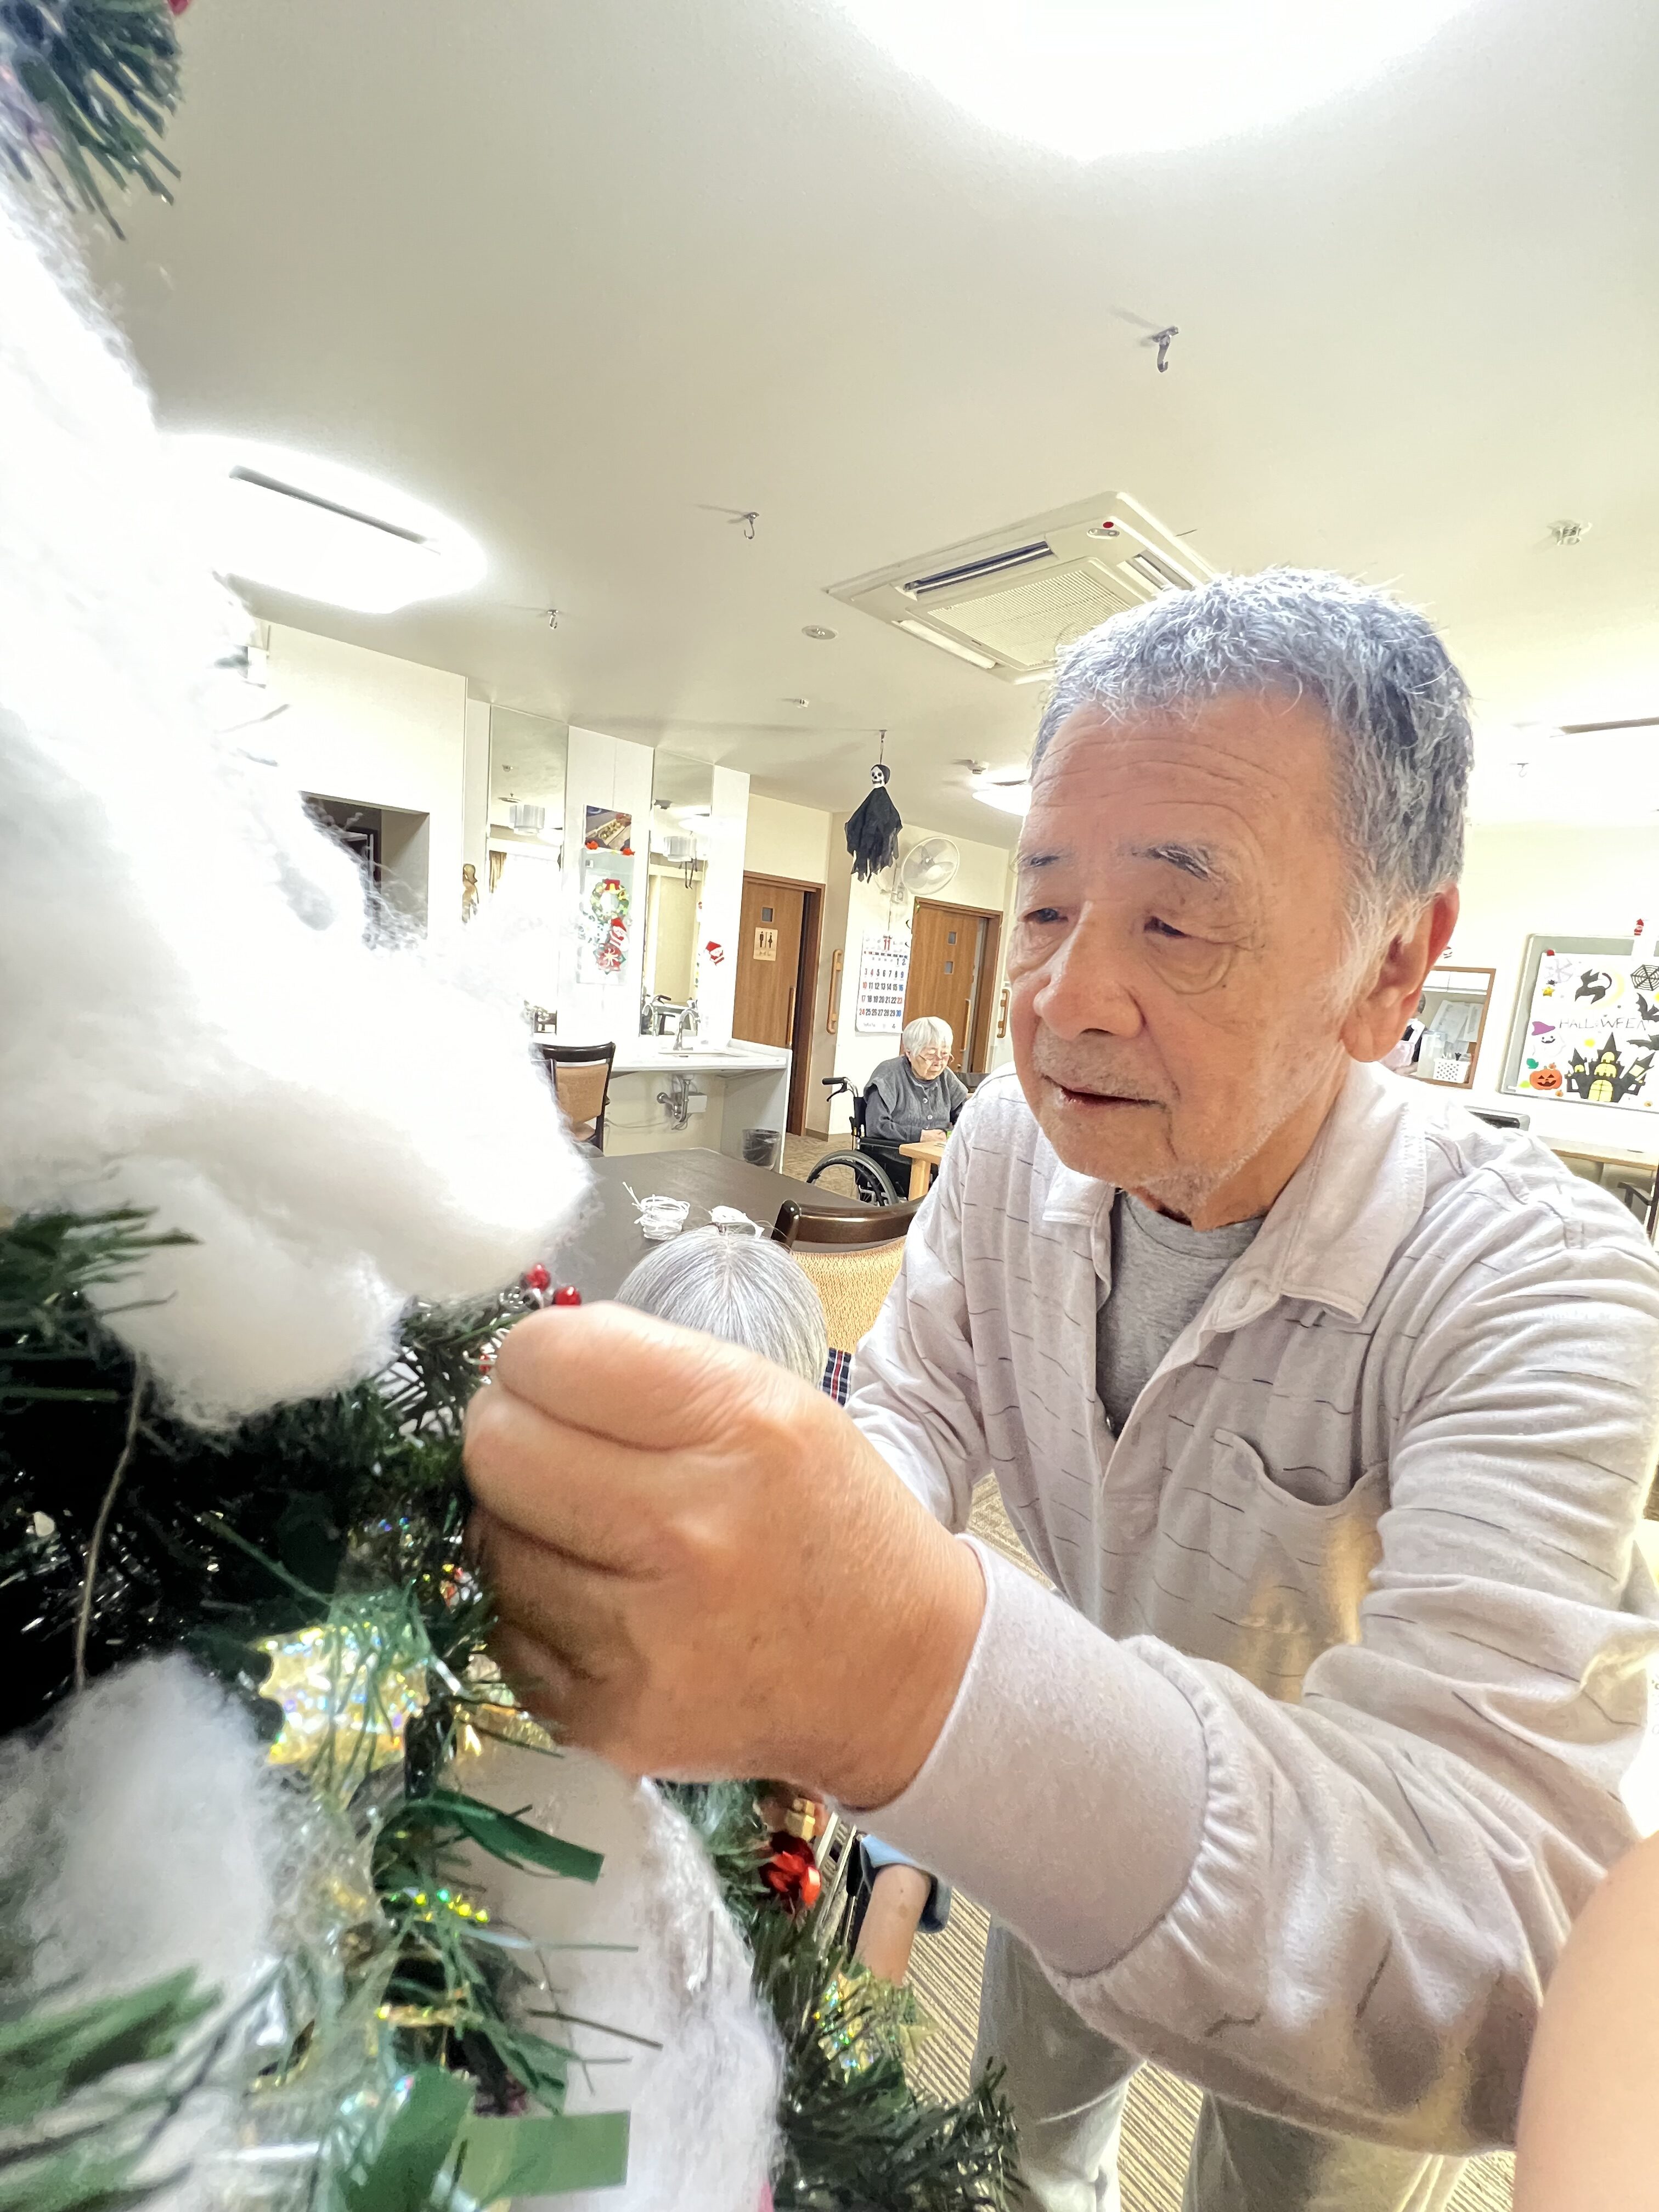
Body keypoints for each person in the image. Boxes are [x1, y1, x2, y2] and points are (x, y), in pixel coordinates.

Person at [466, 569, 1659, 2212]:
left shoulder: (1536, 1281)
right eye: (1043, 910)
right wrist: (785, 1563)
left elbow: (1485, 1924)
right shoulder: (1008, 1146)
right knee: (1021, 2152)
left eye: (1177, 921)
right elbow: (914, 1406)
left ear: (1394, 968)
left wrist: (902, 1671)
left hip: (1314, 1853)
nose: (1065, 998)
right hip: (1063, 1749)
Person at [614, 1226, 950, 1986]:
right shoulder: (595, 1541)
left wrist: (889, 1915)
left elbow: (920, 1753)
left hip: (759, 1902)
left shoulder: (850, 1554)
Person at [860, 1015, 968, 1194]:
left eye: (945, 1054)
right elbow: (877, 1127)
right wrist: (920, 1136)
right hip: (896, 1159)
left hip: (940, 1157)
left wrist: (949, 1134)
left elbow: (966, 1118)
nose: (939, 1062)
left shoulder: (946, 1076)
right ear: (909, 1053)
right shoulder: (889, 1075)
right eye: (931, 1055)